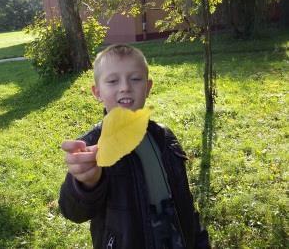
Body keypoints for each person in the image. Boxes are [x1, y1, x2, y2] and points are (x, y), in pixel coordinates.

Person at [59, 44, 210, 249]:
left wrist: (199, 240)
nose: (125, 87)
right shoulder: (92, 148)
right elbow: (73, 212)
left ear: (147, 88)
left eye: (135, 79)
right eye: (112, 81)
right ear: (97, 92)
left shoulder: (164, 137)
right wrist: (85, 183)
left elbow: (184, 199)